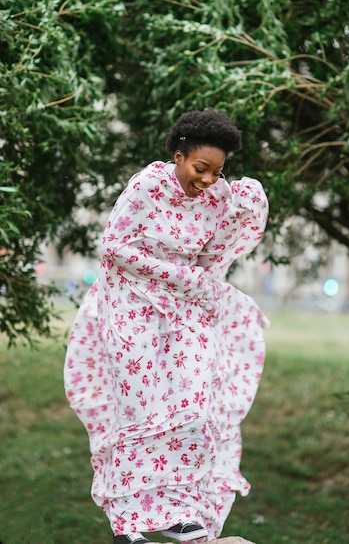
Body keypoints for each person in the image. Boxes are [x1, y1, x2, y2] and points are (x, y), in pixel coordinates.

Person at [64, 109, 269, 544]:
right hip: (131, 309)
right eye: (201, 168)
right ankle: (129, 522)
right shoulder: (146, 186)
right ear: (179, 157)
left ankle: (179, 511)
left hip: (182, 312)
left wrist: (206, 277)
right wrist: (184, 278)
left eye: (217, 171)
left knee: (193, 406)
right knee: (139, 412)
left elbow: (209, 252)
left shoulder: (213, 197)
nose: (209, 179)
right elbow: (113, 248)